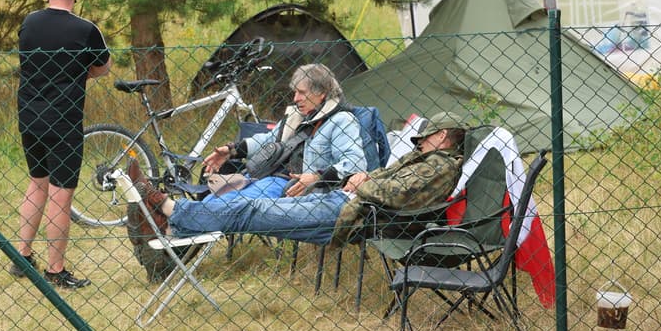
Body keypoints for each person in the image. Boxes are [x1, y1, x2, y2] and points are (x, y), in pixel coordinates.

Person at [123, 112, 468, 276]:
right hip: (344, 202)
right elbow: (390, 183)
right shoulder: (430, 161)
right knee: (249, 206)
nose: (419, 141)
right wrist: (366, 177)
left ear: (444, 136)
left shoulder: (440, 166)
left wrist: (363, 181)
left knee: (252, 210)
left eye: (426, 136)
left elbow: (398, 193)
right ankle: (170, 230)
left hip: (352, 216)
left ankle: (170, 211)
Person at [12, 0, 111, 289]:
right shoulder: (86, 30)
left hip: (29, 116)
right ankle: (56, 270)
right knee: (60, 196)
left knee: (36, 182)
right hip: (64, 122)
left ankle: (22, 256)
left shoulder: (29, 22)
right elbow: (102, 68)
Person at [201, 63, 367, 201]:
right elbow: (267, 140)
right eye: (295, 92)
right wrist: (232, 151)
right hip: (264, 177)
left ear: (321, 93)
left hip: (291, 188)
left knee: (227, 204)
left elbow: (354, 162)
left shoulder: (342, 120)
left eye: (302, 93)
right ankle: (179, 221)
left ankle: (178, 218)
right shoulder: (297, 116)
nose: (295, 99)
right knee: (211, 199)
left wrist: (317, 178)